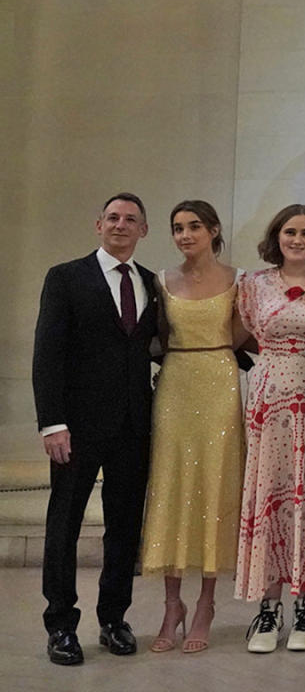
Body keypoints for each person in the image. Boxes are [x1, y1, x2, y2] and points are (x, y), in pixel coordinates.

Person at [32, 192, 158, 665]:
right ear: (97, 225)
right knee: (63, 526)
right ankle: (61, 625)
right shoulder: (66, 277)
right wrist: (53, 423)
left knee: (124, 528)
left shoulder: (150, 283)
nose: (120, 225)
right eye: (112, 217)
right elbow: (47, 355)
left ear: (143, 231)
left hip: (133, 428)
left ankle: (113, 618)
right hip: (76, 428)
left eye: (130, 220)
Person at [235, 204, 305, 652]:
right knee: (270, 497)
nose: (297, 240)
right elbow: (243, 336)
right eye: (289, 232)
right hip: (269, 402)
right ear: (276, 236)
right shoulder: (253, 285)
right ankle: (267, 608)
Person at [140, 200, 245, 653]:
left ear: (214, 230)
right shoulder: (160, 281)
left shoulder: (239, 279)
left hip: (220, 383)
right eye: (177, 228)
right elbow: (154, 338)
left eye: (194, 226)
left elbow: (243, 334)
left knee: (214, 486)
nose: (185, 235)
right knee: (172, 486)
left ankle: (205, 603)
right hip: (176, 385)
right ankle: (171, 604)